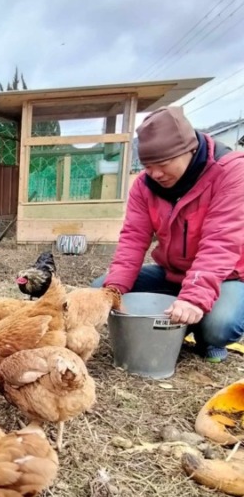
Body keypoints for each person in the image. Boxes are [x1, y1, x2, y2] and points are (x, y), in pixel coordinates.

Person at [93, 105, 244, 363]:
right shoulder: (144, 185)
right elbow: (133, 240)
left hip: (225, 276)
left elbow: (221, 241)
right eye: (147, 166)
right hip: (172, 273)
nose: (155, 174)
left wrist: (194, 299)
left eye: (162, 164)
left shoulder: (231, 172)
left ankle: (206, 335)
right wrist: (115, 291)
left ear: (189, 149)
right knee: (100, 292)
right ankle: (176, 313)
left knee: (219, 326)